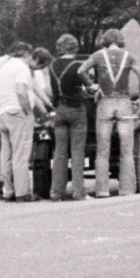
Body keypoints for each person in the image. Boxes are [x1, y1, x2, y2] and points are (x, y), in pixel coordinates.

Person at [81, 28, 140, 196]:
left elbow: (81, 70)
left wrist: (92, 86)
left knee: (102, 150)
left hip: (105, 103)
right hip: (124, 103)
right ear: (120, 40)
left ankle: (102, 190)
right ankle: (127, 189)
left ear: (105, 40)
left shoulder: (97, 56)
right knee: (127, 150)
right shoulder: (129, 56)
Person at [0, 42, 42, 202]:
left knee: (6, 154)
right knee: (21, 154)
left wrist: (5, 106)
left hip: (3, 113)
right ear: (26, 54)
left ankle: (8, 191)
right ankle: (22, 192)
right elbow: (20, 90)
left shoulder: (3, 68)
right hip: (18, 113)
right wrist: (28, 111)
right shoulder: (22, 67)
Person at [48, 35, 89, 201]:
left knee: (59, 153)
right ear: (75, 47)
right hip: (76, 110)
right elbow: (90, 88)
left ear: (60, 48)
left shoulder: (51, 66)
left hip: (59, 110)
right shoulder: (78, 66)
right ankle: (79, 192)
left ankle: (56, 192)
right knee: (77, 152)